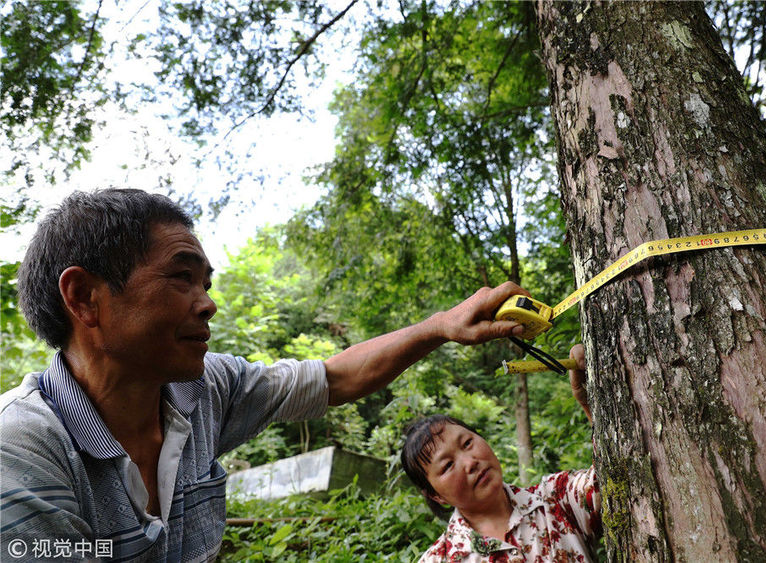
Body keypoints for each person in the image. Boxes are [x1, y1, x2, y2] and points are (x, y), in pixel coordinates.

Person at [0, 188, 530, 562]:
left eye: (206, 283)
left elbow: (334, 379)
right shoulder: (21, 450)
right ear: (85, 298)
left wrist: (441, 326)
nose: (207, 305)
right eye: (182, 277)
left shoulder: (204, 390)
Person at [401, 344, 601, 562]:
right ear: (435, 495)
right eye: (448, 465)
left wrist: (589, 403)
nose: (470, 463)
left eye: (467, 443)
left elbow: (613, 480)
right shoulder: (439, 559)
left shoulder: (557, 499)